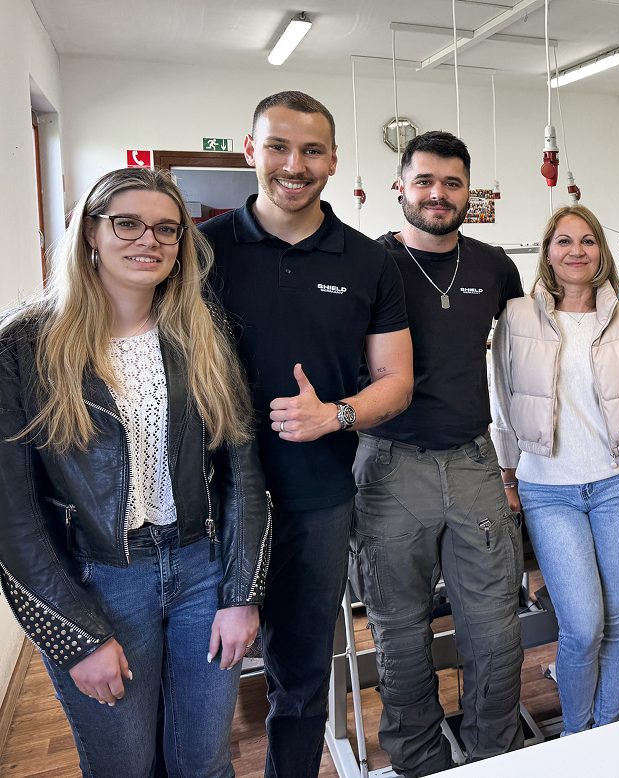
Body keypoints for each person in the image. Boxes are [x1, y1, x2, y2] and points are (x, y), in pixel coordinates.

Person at [0, 166, 271, 777]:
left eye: (167, 229)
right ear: (89, 232)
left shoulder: (201, 333)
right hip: (98, 582)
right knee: (122, 766)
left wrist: (241, 594)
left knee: (205, 764)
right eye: (127, 223)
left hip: (203, 571)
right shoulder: (24, 345)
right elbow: (13, 517)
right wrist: (76, 634)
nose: (149, 240)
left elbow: (243, 473)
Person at [201, 91, 415, 777]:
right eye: (278, 147)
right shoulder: (199, 251)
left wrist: (336, 415)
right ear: (250, 150)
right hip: (207, 505)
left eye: (312, 151)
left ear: (332, 160)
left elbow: (396, 382)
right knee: (201, 680)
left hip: (317, 501)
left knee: (298, 677)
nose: (294, 165)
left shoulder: (367, 261)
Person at [357, 130, 526, 775]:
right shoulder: (369, 263)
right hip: (390, 463)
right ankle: (418, 759)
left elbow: (530, 351)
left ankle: (493, 753)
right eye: (424, 181)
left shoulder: (494, 267)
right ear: (400, 186)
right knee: (400, 629)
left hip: (474, 460)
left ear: (468, 193)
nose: (437, 194)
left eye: (452, 183)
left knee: (496, 624)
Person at [491, 205, 619, 735]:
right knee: (584, 625)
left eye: (588, 240)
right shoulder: (516, 316)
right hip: (549, 491)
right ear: (548, 252)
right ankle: (575, 738)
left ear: (601, 253)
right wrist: (507, 477)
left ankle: (605, 734)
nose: (577, 251)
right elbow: (502, 403)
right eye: (564, 241)